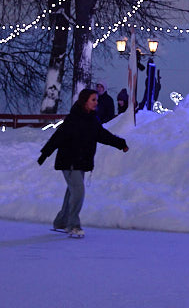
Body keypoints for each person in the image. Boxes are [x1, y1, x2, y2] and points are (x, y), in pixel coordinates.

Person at [37, 88, 128, 238]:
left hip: (81, 162)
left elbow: (103, 135)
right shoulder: (74, 119)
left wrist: (121, 143)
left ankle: (61, 221)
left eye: (96, 100)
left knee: (72, 192)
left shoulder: (93, 119)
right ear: (84, 101)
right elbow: (57, 137)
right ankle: (73, 225)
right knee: (78, 192)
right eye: (93, 100)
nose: (96, 103)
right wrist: (44, 154)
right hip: (69, 161)